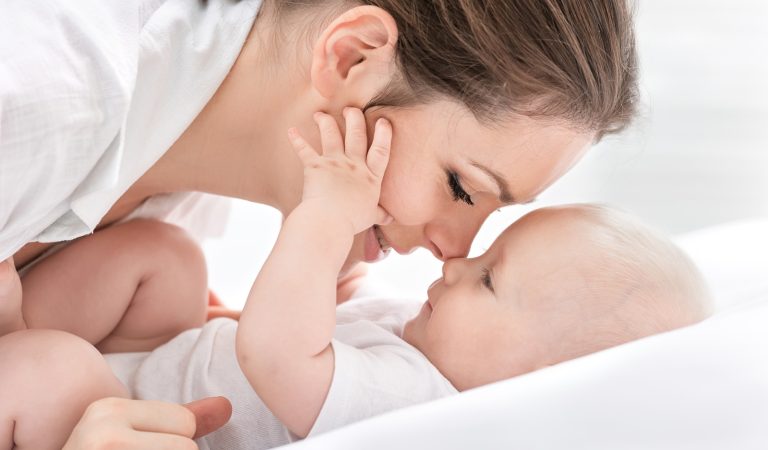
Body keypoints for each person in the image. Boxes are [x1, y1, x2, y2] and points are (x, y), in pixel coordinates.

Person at [1, 0, 638, 446]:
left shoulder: (191, 170)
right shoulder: (37, 101)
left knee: (169, 261)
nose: (453, 251)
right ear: (352, 57)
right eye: (460, 187)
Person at [0, 111, 710, 449]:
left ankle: (15, 344)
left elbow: (278, 354)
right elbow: (335, 308)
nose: (456, 264)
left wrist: (323, 216)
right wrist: (350, 249)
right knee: (168, 254)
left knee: (56, 367)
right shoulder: (427, 334)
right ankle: (20, 334)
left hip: (131, 418)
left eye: (489, 280)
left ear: (529, 378)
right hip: (166, 359)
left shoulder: (418, 406)